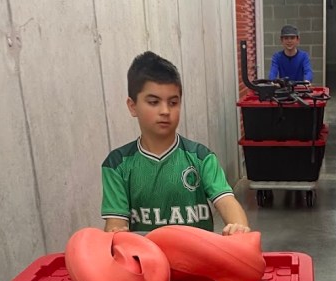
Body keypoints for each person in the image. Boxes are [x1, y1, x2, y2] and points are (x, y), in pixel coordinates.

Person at [102, 52, 250, 236]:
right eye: (154, 102)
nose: (165, 111)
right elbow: (115, 225)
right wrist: (114, 235)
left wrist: (239, 229)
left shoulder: (201, 157)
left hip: (198, 261)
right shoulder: (117, 164)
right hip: (143, 262)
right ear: (133, 106)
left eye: (173, 102)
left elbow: (227, 201)